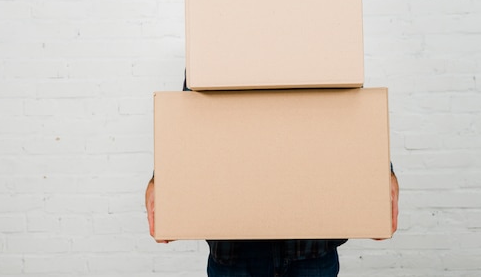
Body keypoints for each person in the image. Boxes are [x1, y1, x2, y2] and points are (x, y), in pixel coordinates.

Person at [145, 76, 400, 277]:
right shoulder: (215, 42)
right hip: (235, 250)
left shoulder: (321, 37)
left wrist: (381, 173)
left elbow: (347, 111)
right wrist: (162, 180)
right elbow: (194, 123)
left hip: (311, 248)